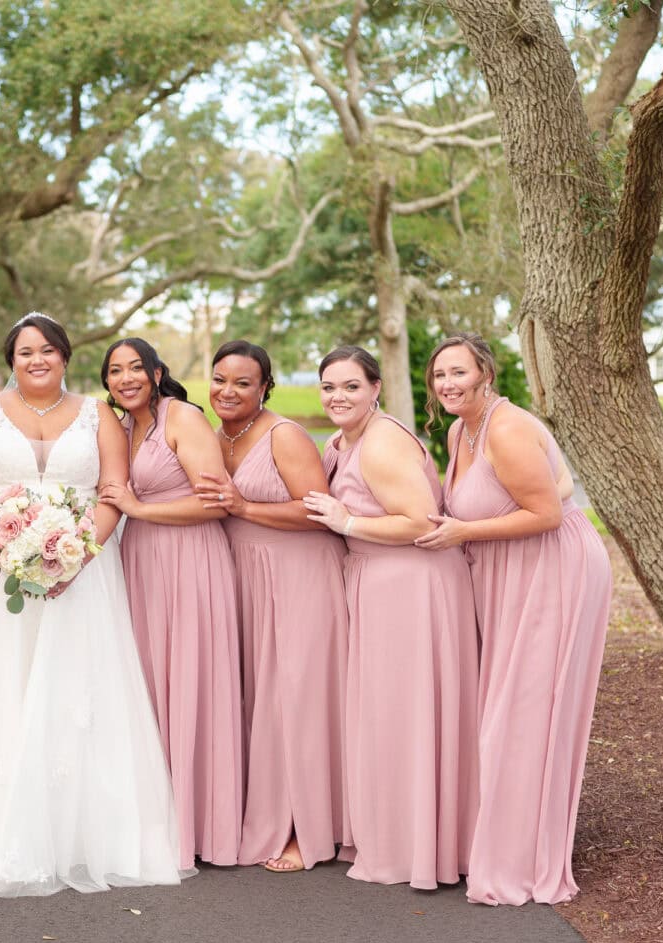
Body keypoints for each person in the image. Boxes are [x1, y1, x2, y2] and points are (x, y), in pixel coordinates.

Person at [0, 312, 187, 896]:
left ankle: (79, 834)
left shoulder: (98, 414)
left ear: (65, 357)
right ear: (11, 360)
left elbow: (113, 493)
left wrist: (78, 554)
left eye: (49, 351)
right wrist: (8, 553)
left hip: (82, 573)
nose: (38, 360)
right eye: (26, 352)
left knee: (75, 688)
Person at [416, 333, 611, 906]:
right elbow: (558, 482)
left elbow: (547, 513)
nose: (448, 384)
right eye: (439, 375)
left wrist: (463, 532)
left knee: (523, 709)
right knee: (500, 703)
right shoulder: (458, 430)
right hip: (504, 573)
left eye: (458, 372)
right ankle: (500, 833)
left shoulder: (505, 427)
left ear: (485, 374)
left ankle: (522, 857)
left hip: (552, 570)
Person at [304, 345, 480, 890]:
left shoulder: (380, 444)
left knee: (408, 712)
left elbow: (418, 522)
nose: (339, 397)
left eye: (351, 386)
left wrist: (346, 522)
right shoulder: (344, 440)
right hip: (380, 582)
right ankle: (406, 835)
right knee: (392, 713)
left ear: (376, 389)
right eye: (329, 387)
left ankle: (420, 847)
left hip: (411, 583)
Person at [192, 340, 348, 873]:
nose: (227, 391)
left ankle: (308, 830)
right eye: (219, 379)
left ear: (264, 388)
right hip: (246, 575)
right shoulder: (213, 437)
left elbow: (317, 512)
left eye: (242, 382)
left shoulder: (284, 435)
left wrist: (243, 505)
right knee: (261, 698)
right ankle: (263, 812)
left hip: (299, 572)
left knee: (297, 698)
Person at [98, 337, 242, 870]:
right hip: (142, 564)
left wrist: (139, 507)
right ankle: (160, 817)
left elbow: (215, 503)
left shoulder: (180, 417)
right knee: (152, 686)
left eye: (136, 367)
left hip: (191, 561)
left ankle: (202, 826)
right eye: (115, 371)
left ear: (157, 374)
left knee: (192, 683)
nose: (126, 378)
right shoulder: (121, 427)